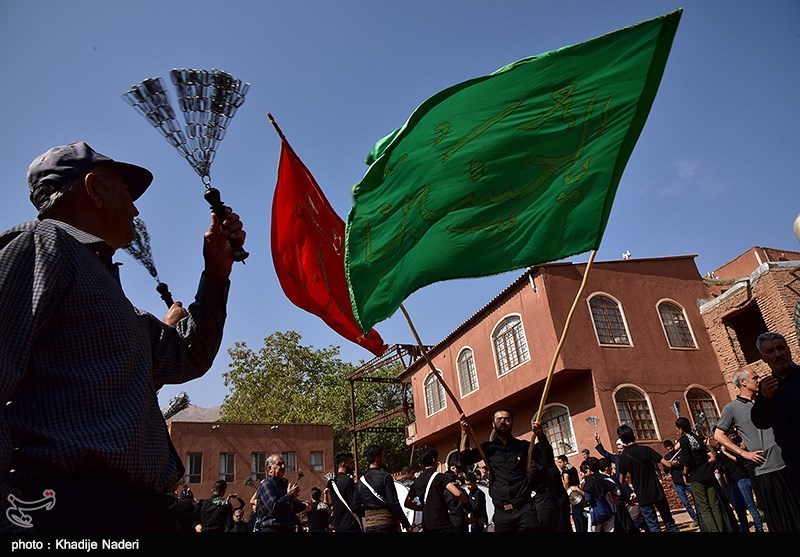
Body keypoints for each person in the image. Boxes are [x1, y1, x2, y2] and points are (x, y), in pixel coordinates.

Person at [0, 141, 245, 533]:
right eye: (126, 192)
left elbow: (187, 356)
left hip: (135, 511)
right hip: (69, 510)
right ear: (94, 190)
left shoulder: (110, 293)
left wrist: (215, 275)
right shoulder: (40, 246)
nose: (135, 208)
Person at [714, 366, 800, 531]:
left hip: (789, 463)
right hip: (766, 470)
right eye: (755, 378)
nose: (759, 380)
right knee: (781, 520)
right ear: (743, 382)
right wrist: (743, 453)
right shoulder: (731, 408)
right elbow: (718, 435)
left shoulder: (768, 399)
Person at [459, 408, 541, 532]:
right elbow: (464, 460)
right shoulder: (488, 448)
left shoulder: (523, 447)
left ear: (512, 422)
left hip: (524, 510)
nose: (503, 422)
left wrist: (541, 435)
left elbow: (546, 459)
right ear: (493, 424)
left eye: (506, 419)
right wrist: (464, 433)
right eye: (499, 419)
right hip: (501, 514)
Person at [752, 332, 800, 501]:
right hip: (794, 462)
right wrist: (764, 398)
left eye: (781, 348)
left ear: (788, 350)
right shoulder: (768, 387)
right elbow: (760, 421)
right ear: (763, 357)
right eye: (770, 351)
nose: (777, 354)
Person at [616, 424, 680, 532]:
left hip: (642, 494)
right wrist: (674, 462)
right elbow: (667, 465)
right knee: (669, 522)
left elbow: (621, 480)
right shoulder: (646, 450)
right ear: (633, 435)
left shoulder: (623, 458)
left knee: (653, 525)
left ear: (622, 440)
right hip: (656, 490)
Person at [673, 417, 726, 532]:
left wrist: (685, 473)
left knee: (704, 506)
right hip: (708, 472)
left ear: (681, 429)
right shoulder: (698, 437)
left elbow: (687, 461)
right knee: (714, 504)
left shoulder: (684, 440)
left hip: (696, 475)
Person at [405, 447, 467, 532]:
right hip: (442, 523)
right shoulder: (440, 477)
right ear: (434, 460)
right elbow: (457, 493)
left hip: (427, 524)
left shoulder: (417, 481)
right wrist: (466, 502)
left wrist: (421, 508)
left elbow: (407, 503)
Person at [356, 445, 411, 532]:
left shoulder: (360, 481)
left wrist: (370, 516)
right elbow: (393, 503)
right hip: (387, 525)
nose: (385, 459)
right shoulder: (386, 477)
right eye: (383, 456)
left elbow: (354, 506)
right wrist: (405, 523)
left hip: (370, 527)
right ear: (377, 459)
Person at [529, 421, 571, 532]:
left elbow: (546, 450)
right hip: (552, 504)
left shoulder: (546, 468)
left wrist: (541, 436)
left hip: (552, 505)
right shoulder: (544, 468)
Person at [255, 453, 310, 532]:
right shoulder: (267, 484)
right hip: (273, 528)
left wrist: (304, 506)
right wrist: (290, 495)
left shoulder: (283, 485)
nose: (283, 467)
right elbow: (274, 507)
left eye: (284, 464)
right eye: (279, 464)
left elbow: (288, 507)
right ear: (270, 469)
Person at [575, 457, 619, 532]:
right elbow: (617, 492)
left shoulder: (588, 482)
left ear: (588, 467)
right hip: (609, 510)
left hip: (597, 512)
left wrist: (577, 490)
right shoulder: (605, 478)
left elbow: (587, 498)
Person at [660, 439, 698, 524]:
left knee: (696, 496)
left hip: (686, 480)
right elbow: (665, 470)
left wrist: (679, 463)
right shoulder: (667, 457)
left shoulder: (680, 453)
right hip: (677, 483)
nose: (671, 450)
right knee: (685, 502)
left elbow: (687, 462)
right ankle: (695, 518)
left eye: (671, 448)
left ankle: (700, 515)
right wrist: (670, 464)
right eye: (668, 449)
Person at [326, 451, 363, 533]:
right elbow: (354, 504)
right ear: (344, 464)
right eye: (350, 463)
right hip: (350, 524)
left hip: (338, 525)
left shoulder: (332, 483)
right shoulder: (348, 481)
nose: (352, 465)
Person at [556, 454, 588, 532]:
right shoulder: (572, 467)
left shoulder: (565, 469)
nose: (559, 465)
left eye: (560, 462)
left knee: (576, 515)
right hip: (577, 492)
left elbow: (566, 482)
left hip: (572, 494)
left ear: (565, 461)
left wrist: (564, 492)